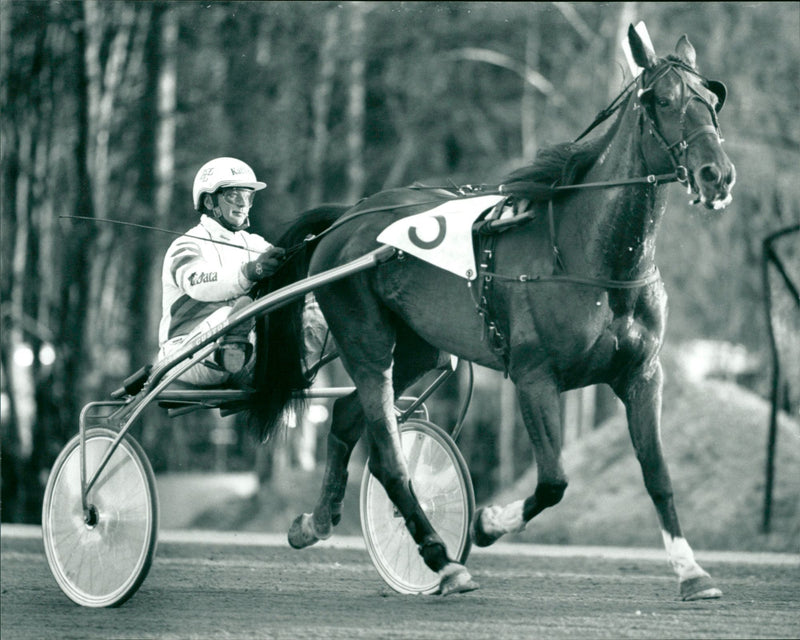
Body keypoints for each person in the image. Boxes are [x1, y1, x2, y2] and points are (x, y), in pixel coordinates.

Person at [156, 157, 288, 387]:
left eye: (247, 196)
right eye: (233, 195)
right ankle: (232, 346)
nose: (242, 203)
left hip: (248, 353)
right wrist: (250, 271)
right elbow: (198, 282)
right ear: (209, 201)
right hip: (184, 356)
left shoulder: (256, 244)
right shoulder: (186, 245)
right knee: (231, 314)